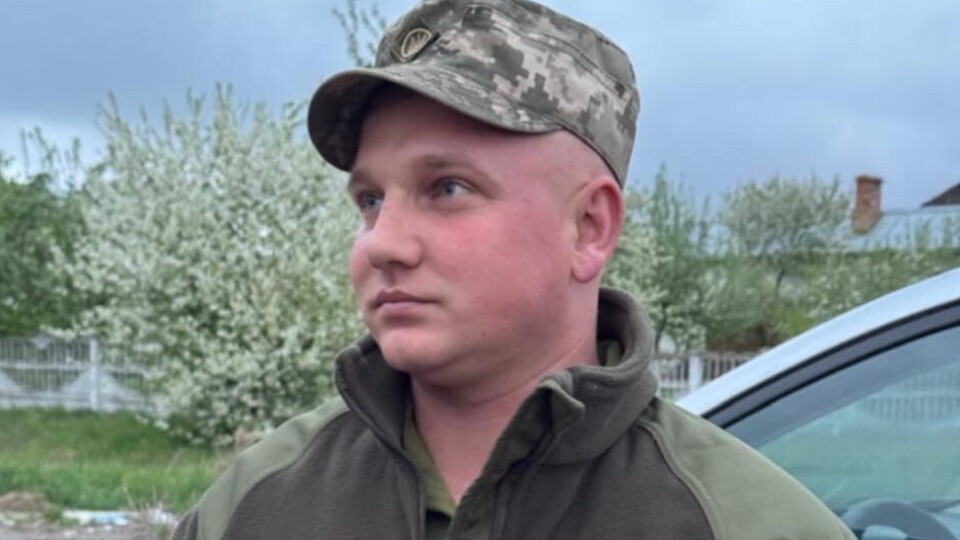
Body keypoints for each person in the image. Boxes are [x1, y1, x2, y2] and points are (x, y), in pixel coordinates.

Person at [172, 0, 856, 538]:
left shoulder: (745, 524)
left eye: (447, 188)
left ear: (589, 227)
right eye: (371, 200)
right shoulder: (257, 505)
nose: (384, 244)